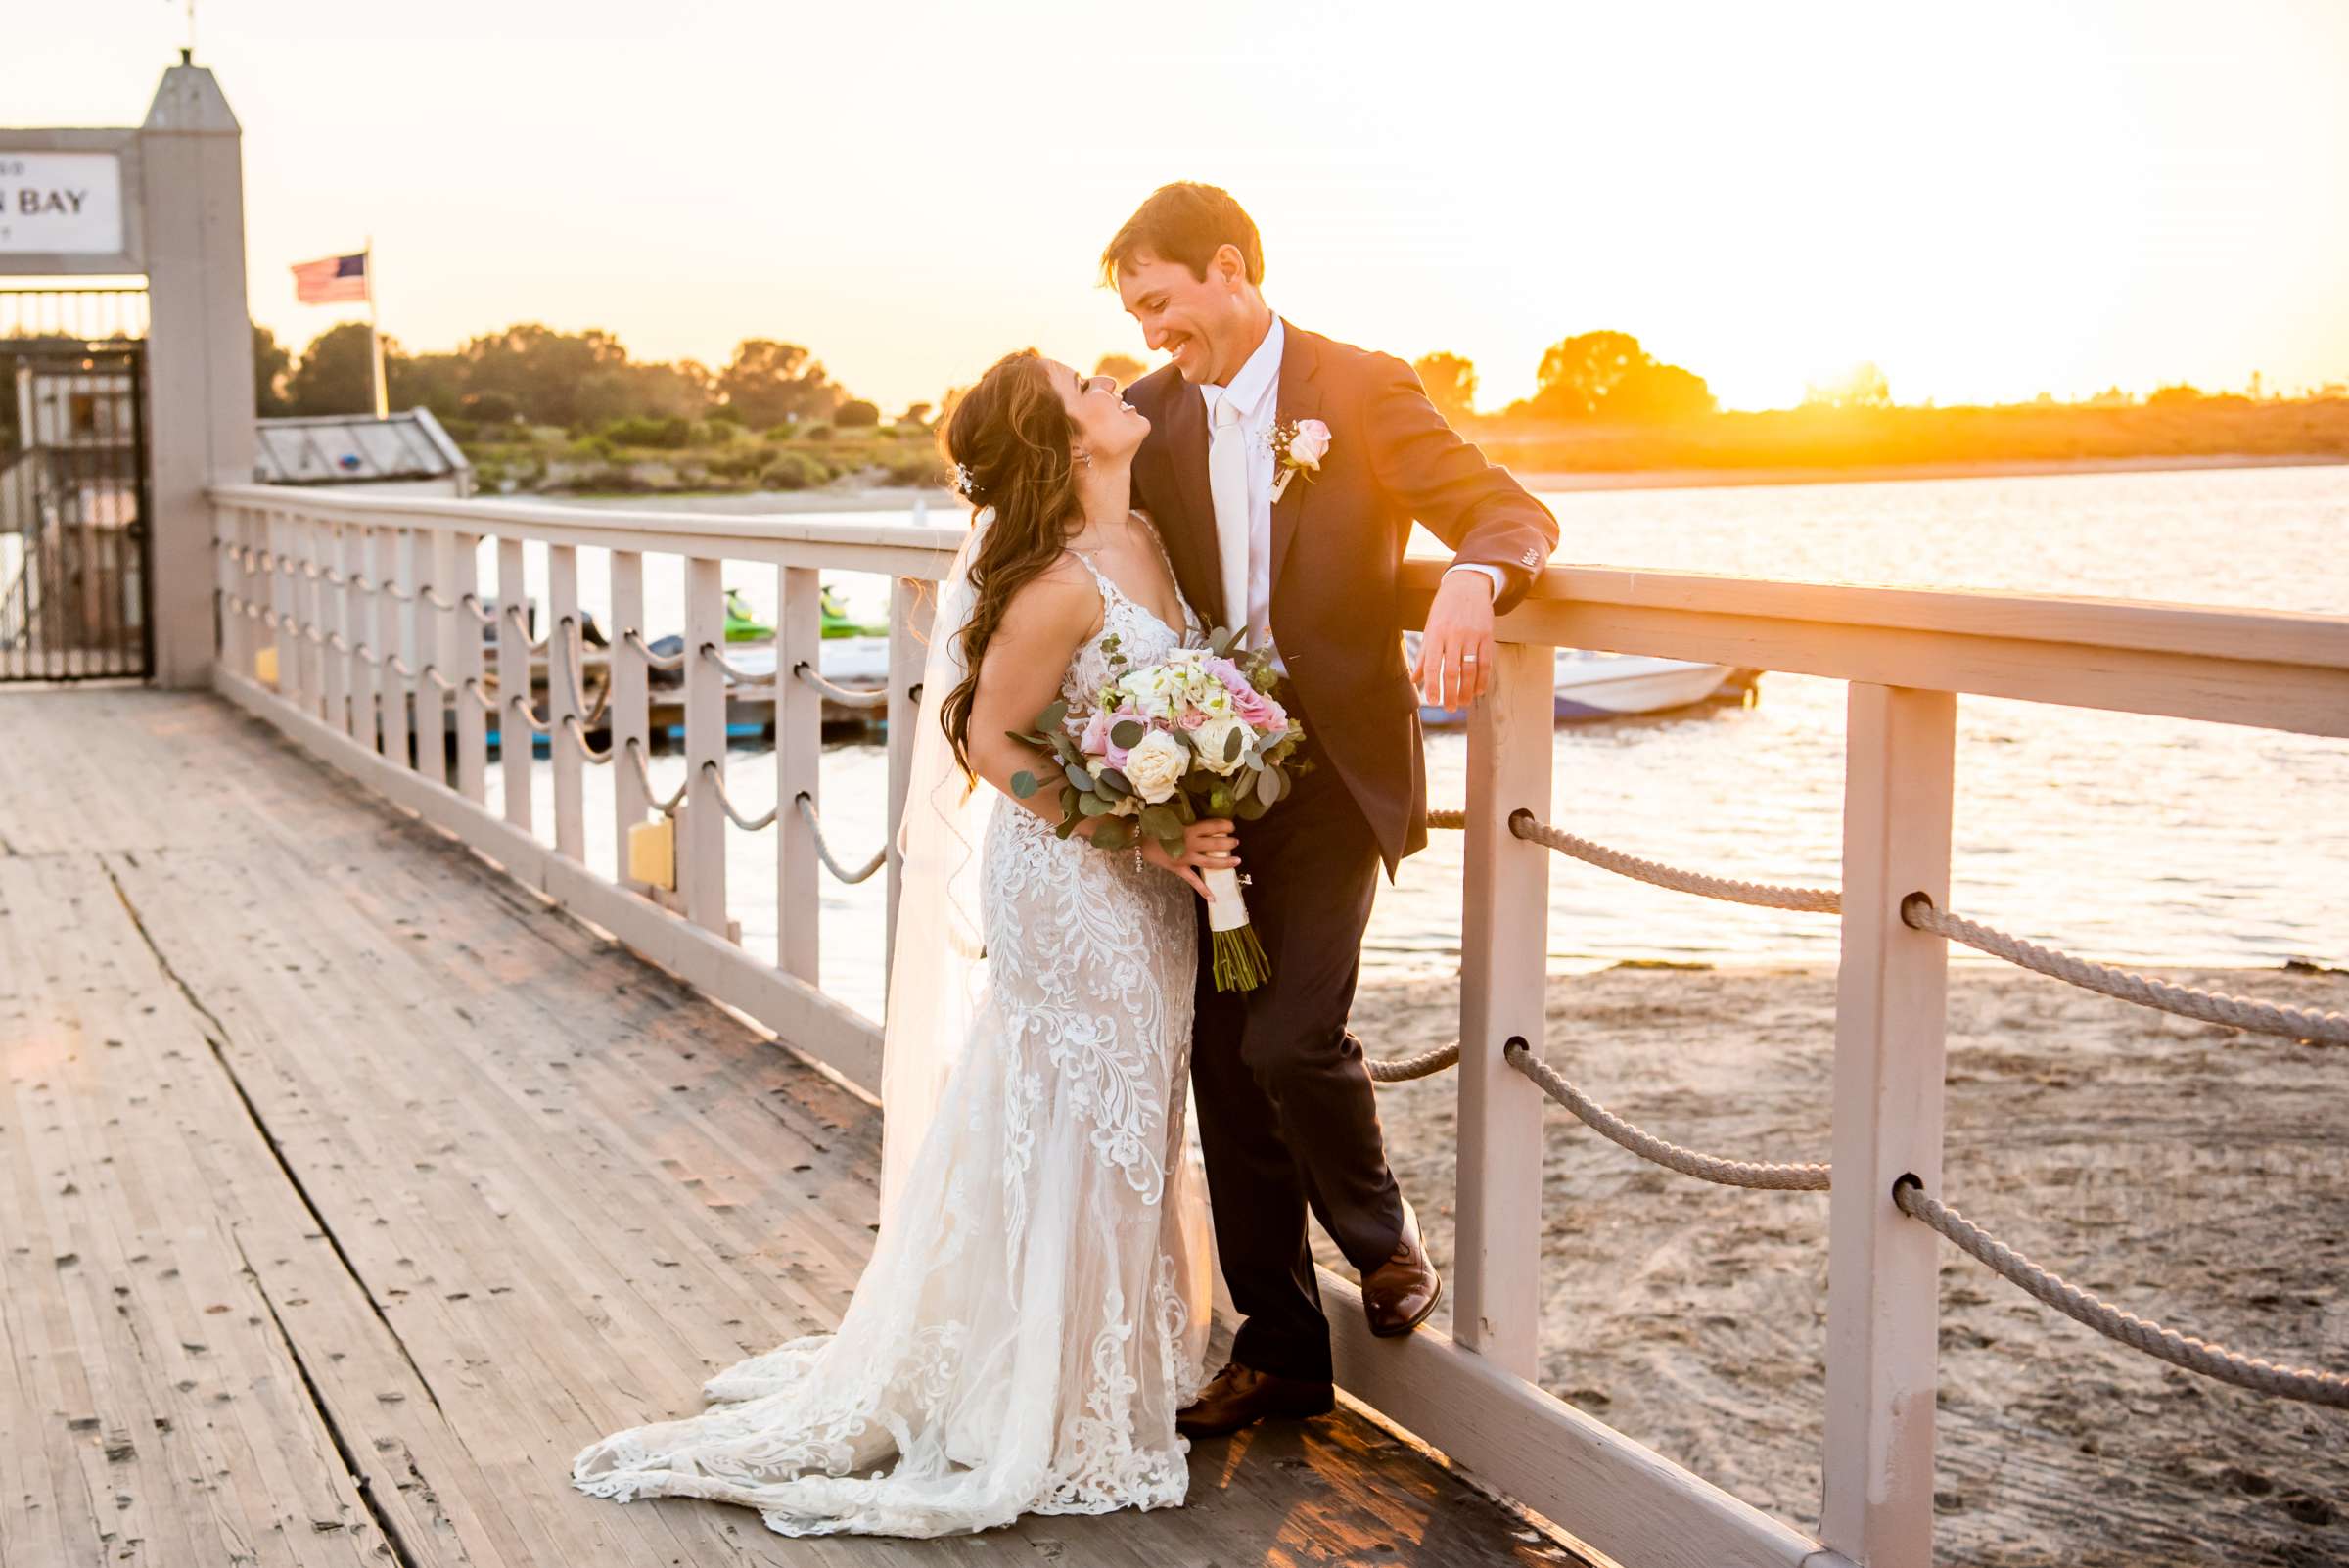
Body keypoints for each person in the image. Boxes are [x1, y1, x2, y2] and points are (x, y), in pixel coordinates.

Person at [572, 348, 1235, 1537]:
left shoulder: (1154, 542)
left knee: (1132, 1105)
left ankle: (1099, 1366)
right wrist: (1140, 835)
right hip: (1077, 881)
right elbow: (990, 740)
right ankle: (1038, 1397)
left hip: (1147, 885)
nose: (1116, 386)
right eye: (1088, 387)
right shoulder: (1061, 584)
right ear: (1066, 445)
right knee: (1076, 1107)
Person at [1104, 182, 1559, 1438]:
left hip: (1334, 771)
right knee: (1220, 1066)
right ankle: (1284, 1353)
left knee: (1290, 1041)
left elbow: (1509, 508)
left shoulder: (1360, 386)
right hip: (1201, 785)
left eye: (1160, 303)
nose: (1151, 335)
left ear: (1230, 266)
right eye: (1136, 313)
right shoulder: (1144, 418)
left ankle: (1383, 1235)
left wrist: (1472, 574)